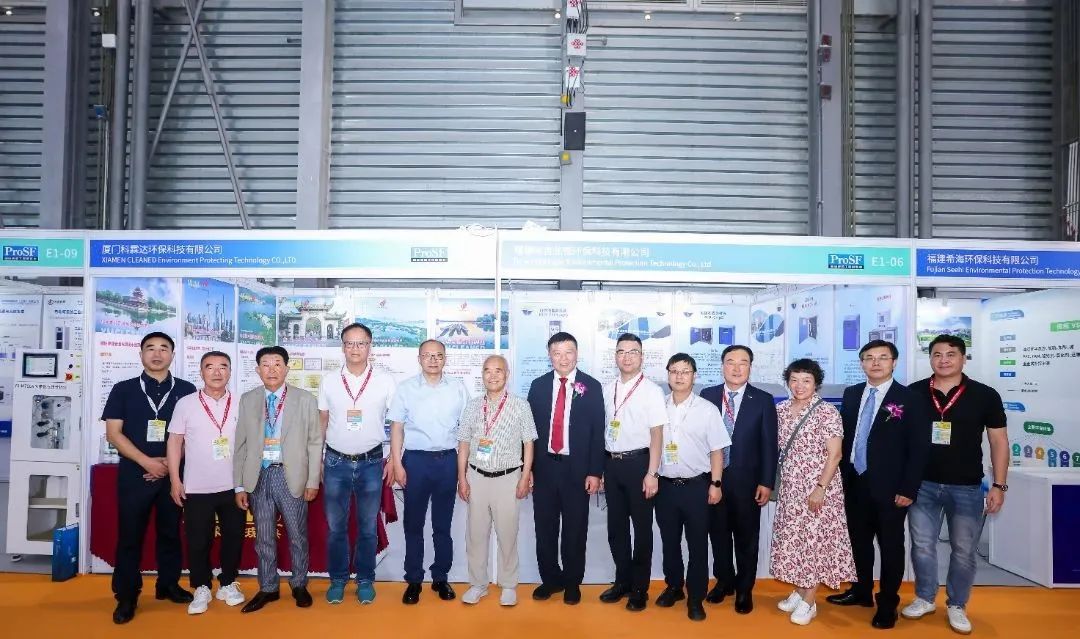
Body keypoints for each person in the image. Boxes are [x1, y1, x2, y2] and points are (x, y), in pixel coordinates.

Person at [901, 334, 1009, 635]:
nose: (943, 360)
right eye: (937, 354)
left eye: (951, 354)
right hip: (922, 485)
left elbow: (999, 441)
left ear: (963, 358)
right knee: (923, 546)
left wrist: (999, 485)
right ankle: (925, 598)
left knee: (963, 550)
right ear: (930, 358)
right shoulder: (914, 393)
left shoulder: (984, 395)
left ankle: (957, 604)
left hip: (966, 486)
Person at [827, 339, 930, 629]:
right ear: (861, 363)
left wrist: (908, 488)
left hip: (892, 489)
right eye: (869, 358)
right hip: (854, 483)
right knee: (858, 543)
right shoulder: (851, 394)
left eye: (882, 357)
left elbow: (919, 449)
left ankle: (887, 603)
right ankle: (861, 591)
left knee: (891, 547)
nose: (875, 363)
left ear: (894, 362)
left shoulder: (910, 399)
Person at [103, 332, 197, 624]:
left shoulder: (187, 390)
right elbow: (113, 433)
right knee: (130, 535)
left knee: (171, 532)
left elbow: (193, 433)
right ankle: (127, 595)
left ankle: (168, 585)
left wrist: (168, 464)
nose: (157, 354)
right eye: (151, 348)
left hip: (173, 474)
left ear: (173, 355)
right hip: (135, 473)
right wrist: (146, 461)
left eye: (164, 348)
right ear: (141, 354)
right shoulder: (123, 389)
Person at [233, 345, 323, 613]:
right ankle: (268, 587)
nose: (271, 370)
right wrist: (239, 484)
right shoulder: (248, 399)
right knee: (263, 537)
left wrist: (313, 481)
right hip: (259, 476)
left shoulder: (305, 399)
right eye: (265, 364)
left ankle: (299, 584)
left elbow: (315, 443)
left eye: (277, 364)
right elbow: (241, 444)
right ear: (257, 369)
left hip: (291, 475)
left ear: (286, 368)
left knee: (297, 535)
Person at [770, 358, 856, 626]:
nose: (800, 385)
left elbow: (835, 455)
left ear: (816, 383)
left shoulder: (827, 412)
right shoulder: (781, 410)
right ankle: (800, 590)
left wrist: (820, 489)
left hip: (819, 488)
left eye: (806, 380)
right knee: (797, 539)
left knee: (815, 542)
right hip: (791, 488)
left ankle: (810, 601)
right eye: (794, 380)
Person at [318, 323, 397, 605]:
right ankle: (338, 579)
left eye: (361, 343)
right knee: (336, 528)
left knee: (367, 527)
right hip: (335, 462)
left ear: (369, 346)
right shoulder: (329, 380)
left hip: (372, 462)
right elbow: (322, 421)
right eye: (349, 343)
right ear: (342, 347)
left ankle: (365, 579)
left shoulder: (385, 380)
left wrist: (394, 458)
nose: (355, 348)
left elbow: (396, 423)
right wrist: (318, 460)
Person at [388, 339, 470, 604]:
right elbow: (397, 428)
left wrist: (462, 473)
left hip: (447, 461)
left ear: (445, 358)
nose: (433, 360)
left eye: (438, 356)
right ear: (419, 358)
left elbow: (465, 432)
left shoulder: (458, 388)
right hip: (416, 461)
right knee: (413, 524)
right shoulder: (406, 388)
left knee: (442, 525)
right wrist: (397, 463)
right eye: (427, 355)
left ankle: (440, 577)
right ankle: (414, 580)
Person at [526, 331, 605, 605]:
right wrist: (528, 469)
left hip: (578, 470)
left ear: (577, 354)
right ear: (550, 356)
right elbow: (529, 433)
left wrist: (595, 471)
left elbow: (598, 432)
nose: (563, 358)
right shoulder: (538, 386)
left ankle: (572, 583)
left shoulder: (591, 386)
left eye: (568, 352)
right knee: (544, 528)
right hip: (544, 468)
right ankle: (550, 580)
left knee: (575, 529)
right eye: (557, 353)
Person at [700, 344, 778, 614]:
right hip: (713, 480)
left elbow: (769, 445)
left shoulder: (763, 400)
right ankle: (724, 582)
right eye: (730, 362)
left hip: (748, 483)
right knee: (718, 535)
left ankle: (745, 589)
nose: (736, 368)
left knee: (746, 538)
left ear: (750, 367)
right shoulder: (708, 395)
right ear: (722, 366)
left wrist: (766, 482)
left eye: (742, 362)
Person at [166, 350, 245, 615]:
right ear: (201, 372)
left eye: (223, 366)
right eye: (210, 367)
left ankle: (228, 583)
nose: (217, 372)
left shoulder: (241, 402)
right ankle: (201, 586)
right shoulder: (186, 403)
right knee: (198, 540)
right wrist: (175, 479)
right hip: (196, 486)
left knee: (233, 537)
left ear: (230, 372)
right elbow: (175, 442)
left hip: (234, 486)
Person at [456, 355, 537, 607]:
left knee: (507, 534)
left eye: (498, 371)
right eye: (487, 371)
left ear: (507, 374)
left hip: (508, 478)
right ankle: (478, 584)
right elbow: (464, 443)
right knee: (475, 535)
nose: (492, 376)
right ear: (482, 374)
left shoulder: (520, 405)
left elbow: (529, 443)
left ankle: (509, 584)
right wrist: (462, 478)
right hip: (476, 477)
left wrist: (525, 476)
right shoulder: (472, 406)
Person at [655, 354, 729, 622]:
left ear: (694, 376)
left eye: (685, 371)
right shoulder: (658, 406)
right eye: (674, 371)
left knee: (698, 544)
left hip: (697, 486)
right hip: (665, 487)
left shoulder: (707, 409)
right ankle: (674, 586)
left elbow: (717, 451)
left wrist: (716, 484)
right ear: (668, 375)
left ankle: (696, 597)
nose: (679, 376)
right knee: (669, 541)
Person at [599, 333, 667, 611]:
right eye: (621, 351)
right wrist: (601, 469)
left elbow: (657, 434)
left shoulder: (652, 391)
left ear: (642, 356)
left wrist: (652, 473)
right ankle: (622, 581)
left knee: (641, 529)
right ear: (615, 356)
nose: (627, 357)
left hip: (640, 464)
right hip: (611, 464)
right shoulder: (607, 389)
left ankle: (640, 588)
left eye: (633, 352)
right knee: (616, 528)